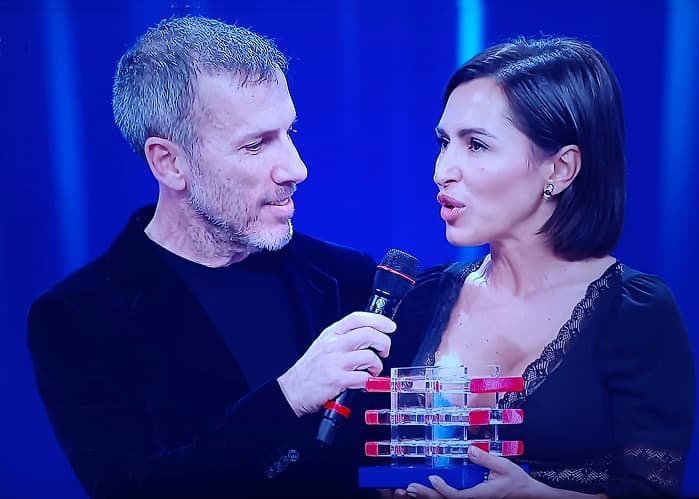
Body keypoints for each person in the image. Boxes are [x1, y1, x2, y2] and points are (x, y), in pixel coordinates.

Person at [27, 16, 412, 499]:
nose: (297, 168)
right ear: (169, 162)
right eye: (255, 144)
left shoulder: (348, 276)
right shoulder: (78, 318)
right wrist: (288, 398)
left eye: (289, 132)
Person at [391, 37, 695, 498]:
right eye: (444, 142)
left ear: (560, 169)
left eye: (476, 145)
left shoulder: (634, 312)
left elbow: (653, 491)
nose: (442, 170)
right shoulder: (424, 297)